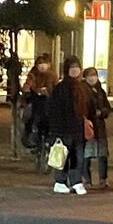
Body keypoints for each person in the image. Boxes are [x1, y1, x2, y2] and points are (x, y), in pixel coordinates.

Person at [43, 57, 90, 194]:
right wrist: (56, 130)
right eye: (72, 67)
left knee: (78, 157)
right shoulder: (61, 88)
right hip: (63, 129)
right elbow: (54, 110)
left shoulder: (82, 87)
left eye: (77, 67)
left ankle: (76, 181)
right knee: (63, 155)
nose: (75, 70)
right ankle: (60, 181)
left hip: (78, 129)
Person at [18, 54, 54, 163]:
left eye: (45, 64)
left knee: (52, 122)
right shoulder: (32, 75)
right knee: (30, 118)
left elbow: (57, 88)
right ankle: (30, 139)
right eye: (40, 64)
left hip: (49, 104)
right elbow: (27, 85)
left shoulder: (52, 75)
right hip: (35, 102)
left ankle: (50, 141)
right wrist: (29, 91)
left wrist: (49, 93)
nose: (42, 66)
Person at [81, 64, 111, 191]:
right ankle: (87, 179)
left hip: (99, 126)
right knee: (86, 154)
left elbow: (107, 107)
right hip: (88, 125)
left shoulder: (100, 91)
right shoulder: (82, 90)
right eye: (89, 76)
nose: (92, 78)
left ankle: (103, 179)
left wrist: (103, 112)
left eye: (94, 75)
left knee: (102, 154)